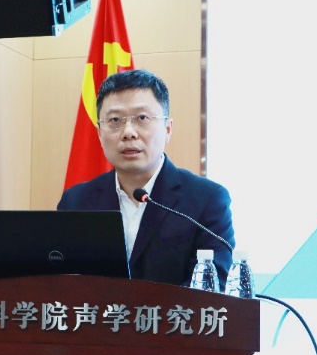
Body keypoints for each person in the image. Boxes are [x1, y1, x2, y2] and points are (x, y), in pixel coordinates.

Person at [57, 69, 235, 290]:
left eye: (142, 118)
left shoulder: (207, 200)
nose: (128, 132)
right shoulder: (76, 201)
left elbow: (211, 289)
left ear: (167, 129)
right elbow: (61, 283)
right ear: (100, 133)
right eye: (115, 120)